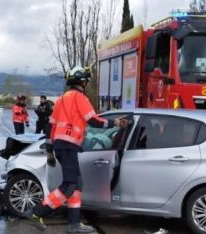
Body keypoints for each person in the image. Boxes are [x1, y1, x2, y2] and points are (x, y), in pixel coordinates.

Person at [26, 66, 131, 233]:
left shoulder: (61, 99)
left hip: (61, 147)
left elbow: (49, 127)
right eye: (86, 81)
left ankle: (74, 224)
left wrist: (50, 151)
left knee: (76, 184)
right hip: (69, 146)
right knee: (69, 185)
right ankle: (37, 212)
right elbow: (95, 122)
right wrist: (116, 123)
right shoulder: (80, 98)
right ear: (83, 81)